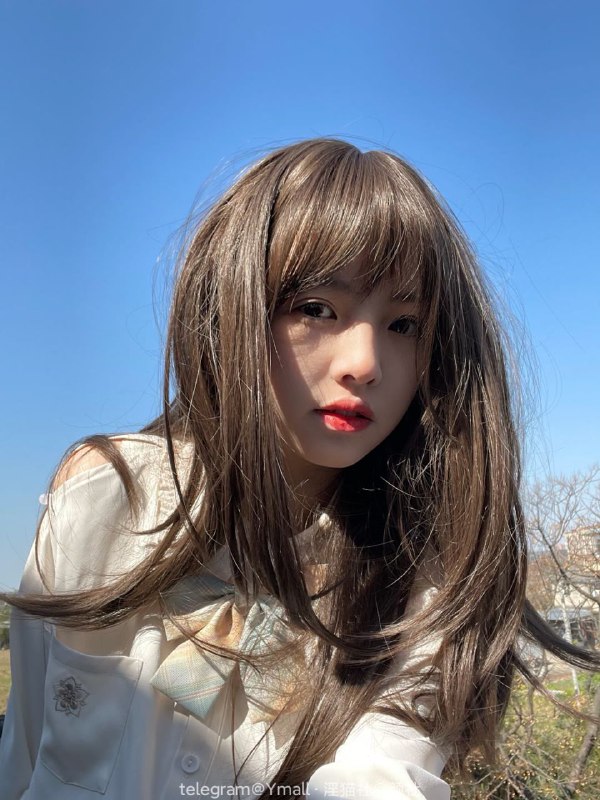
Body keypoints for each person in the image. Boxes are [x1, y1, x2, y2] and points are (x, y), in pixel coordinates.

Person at [0, 138, 598, 800]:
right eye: (316, 308)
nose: (364, 363)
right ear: (229, 306)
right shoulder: (105, 494)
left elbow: (381, 780)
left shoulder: (422, 585)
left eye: (405, 325)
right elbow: (22, 752)